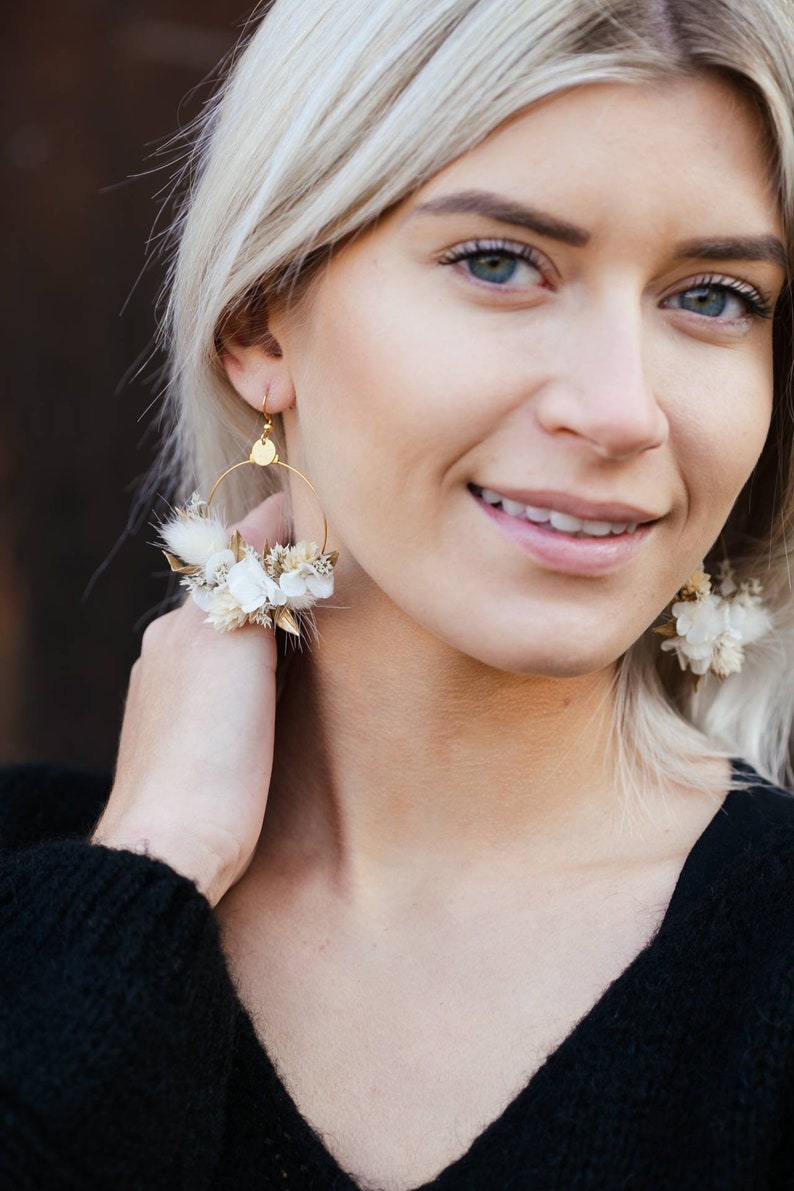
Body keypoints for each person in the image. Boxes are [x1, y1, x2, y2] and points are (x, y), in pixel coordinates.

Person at [3, 0, 794, 1187]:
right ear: (257, 319)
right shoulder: (32, 901)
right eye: (498, 263)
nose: (624, 409)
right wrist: (149, 879)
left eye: (713, 295)